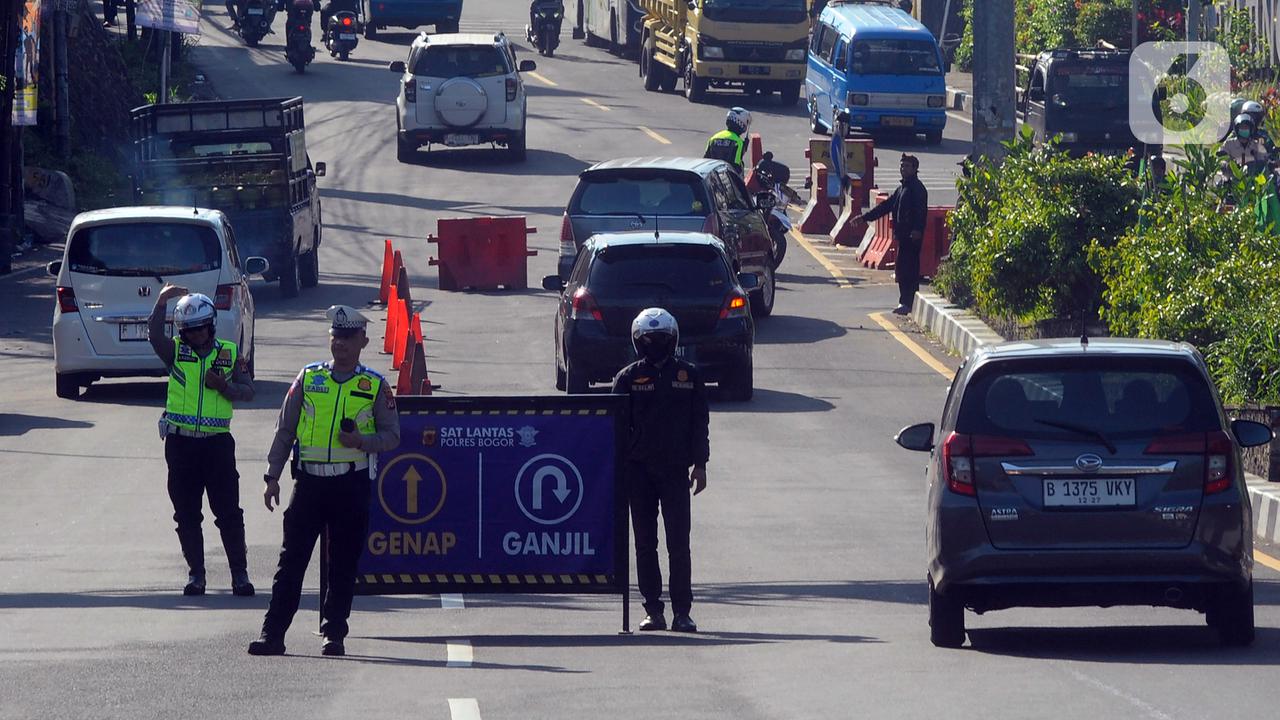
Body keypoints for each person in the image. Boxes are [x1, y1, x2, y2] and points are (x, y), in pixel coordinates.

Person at [248, 305, 402, 657]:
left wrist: (361, 442)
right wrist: (272, 475)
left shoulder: (374, 385)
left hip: (350, 485)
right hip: (310, 486)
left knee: (343, 564)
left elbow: (392, 436)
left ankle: (334, 633)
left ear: (362, 340)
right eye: (336, 338)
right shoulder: (309, 377)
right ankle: (273, 634)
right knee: (291, 562)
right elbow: (285, 429)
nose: (340, 345)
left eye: (347, 338)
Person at [148, 286, 256, 597]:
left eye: (200, 330)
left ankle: (240, 574)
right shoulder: (175, 353)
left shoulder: (230, 353)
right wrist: (161, 301)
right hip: (181, 446)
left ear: (211, 327)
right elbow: (155, 336)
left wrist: (223, 386)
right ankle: (197, 575)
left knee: (228, 512)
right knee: (186, 513)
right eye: (188, 331)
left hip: (217, 445)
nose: (195, 337)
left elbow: (247, 392)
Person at [611, 308, 710, 634]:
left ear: (674, 340)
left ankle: (683, 611)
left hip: (674, 472)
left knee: (679, 544)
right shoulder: (627, 378)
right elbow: (615, 429)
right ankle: (653, 609)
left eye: (662, 340)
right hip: (637, 473)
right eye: (649, 341)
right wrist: (616, 471)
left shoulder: (689, 376)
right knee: (644, 544)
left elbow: (700, 424)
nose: (655, 346)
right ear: (638, 342)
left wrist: (700, 465)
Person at [856, 154, 928, 315]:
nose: (904, 169)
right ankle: (907, 302)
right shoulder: (901, 189)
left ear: (915, 169)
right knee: (902, 270)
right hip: (903, 237)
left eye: (908, 166)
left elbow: (921, 212)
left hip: (912, 237)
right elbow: (885, 207)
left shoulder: (917, 189)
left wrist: (917, 230)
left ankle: (908, 303)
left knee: (909, 270)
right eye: (902, 166)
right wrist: (864, 218)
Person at [705, 107, 751, 175]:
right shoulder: (738, 142)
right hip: (727, 178)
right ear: (742, 123)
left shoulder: (713, 138)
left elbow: (705, 159)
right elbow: (735, 165)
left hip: (712, 176)